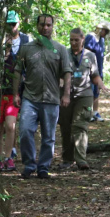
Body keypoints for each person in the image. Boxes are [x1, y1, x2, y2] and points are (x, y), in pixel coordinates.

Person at [14, 14, 71, 180]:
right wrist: (16, 93)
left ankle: (43, 167)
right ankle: (29, 164)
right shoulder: (26, 48)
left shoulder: (59, 49)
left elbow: (67, 73)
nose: (45, 28)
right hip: (30, 98)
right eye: (42, 25)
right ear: (37, 26)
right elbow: (17, 70)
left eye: (48, 25)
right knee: (25, 131)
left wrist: (66, 94)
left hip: (51, 99)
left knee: (49, 137)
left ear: (52, 27)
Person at [59, 28, 105, 171]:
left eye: (76, 40)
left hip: (84, 95)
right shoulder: (64, 54)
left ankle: (81, 160)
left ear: (83, 39)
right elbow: (58, 74)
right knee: (65, 127)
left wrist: (101, 84)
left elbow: (94, 75)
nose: (73, 43)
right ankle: (67, 158)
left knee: (80, 126)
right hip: (66, 95)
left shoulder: (90, 56)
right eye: (71, 40)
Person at [0, 10, 29, 172]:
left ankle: (9, 155)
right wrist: (6, 50)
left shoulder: (26, 40)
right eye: (8, 24)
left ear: (18, 23)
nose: (11, 27)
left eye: (14, 24)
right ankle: (0, 157)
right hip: (0, 90)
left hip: (17, 90)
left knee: (11, 125)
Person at [84, 22, 110, 122]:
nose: (106, 33)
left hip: (98, 68)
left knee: (96, 91)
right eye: (105, 30)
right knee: (89, 91)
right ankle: (88, 113)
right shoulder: (90, 37)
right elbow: (86, 54)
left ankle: (95, 112)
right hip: (89, 69)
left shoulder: (102, 39)